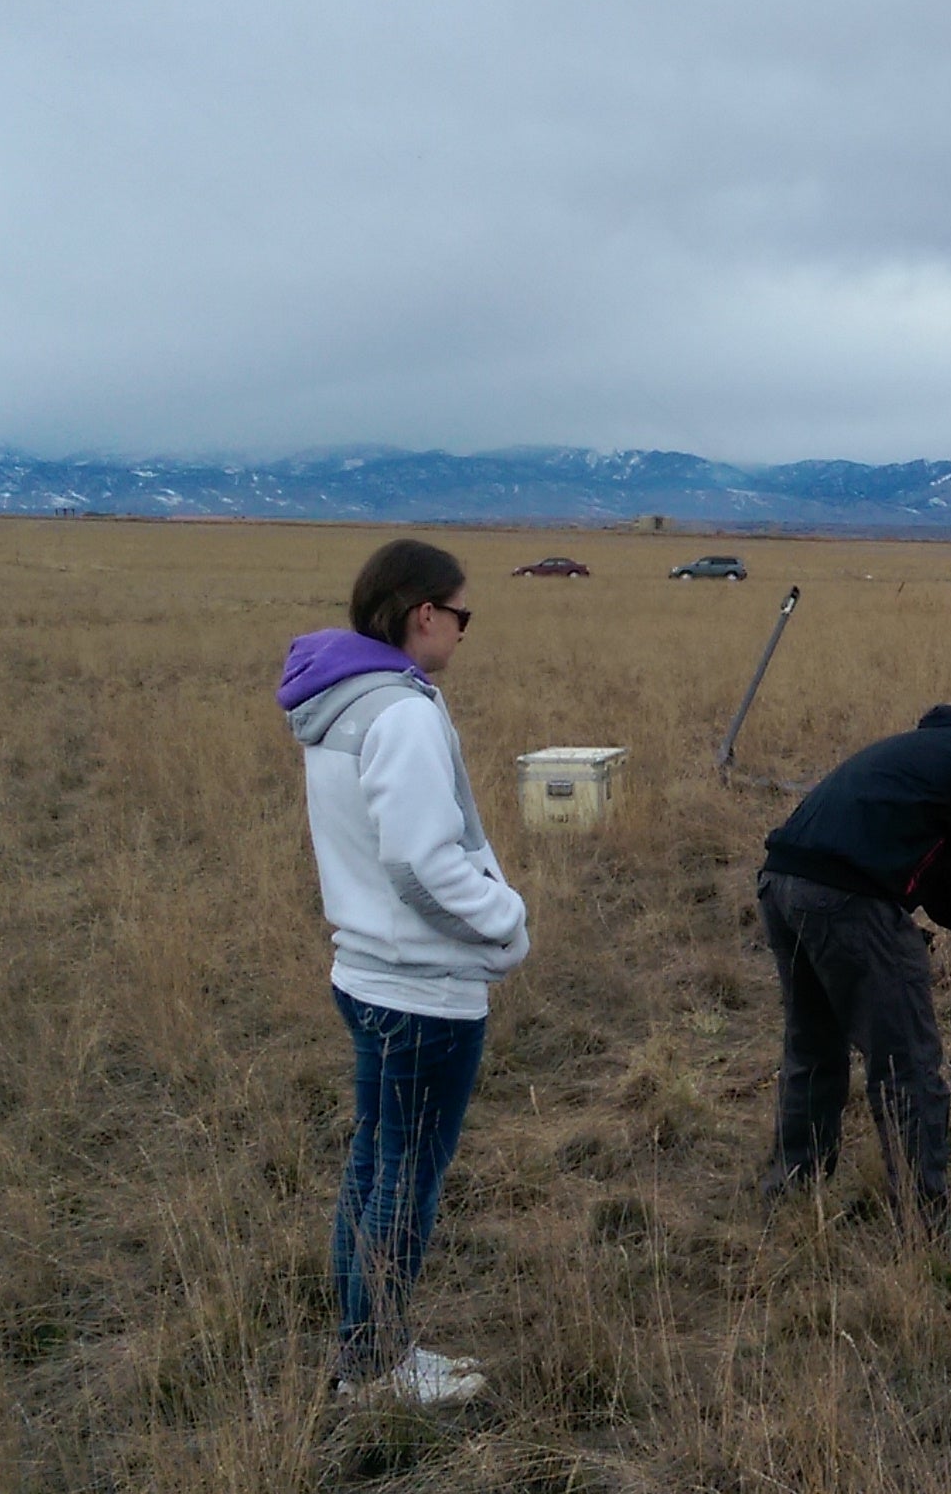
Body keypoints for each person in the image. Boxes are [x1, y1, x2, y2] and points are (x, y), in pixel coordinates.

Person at [280, 539, 528, 1407]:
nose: (463, 632)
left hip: (366, 974)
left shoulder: (341, 701)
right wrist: (506, 922)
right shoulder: (402, 713)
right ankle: (379, 1367)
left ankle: (363, 1351)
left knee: (375, 1164)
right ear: (425, 612)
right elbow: (422, 865)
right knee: (406, 1179)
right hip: (422, 990)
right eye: (461, 615)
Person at [757, 701, 951, 1262]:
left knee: (813, 1049)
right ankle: (929, 1224)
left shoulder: (945, 762)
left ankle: (791, 1191)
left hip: (784, 884)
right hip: (852, 900)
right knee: (907, 1062)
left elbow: (949, 902)